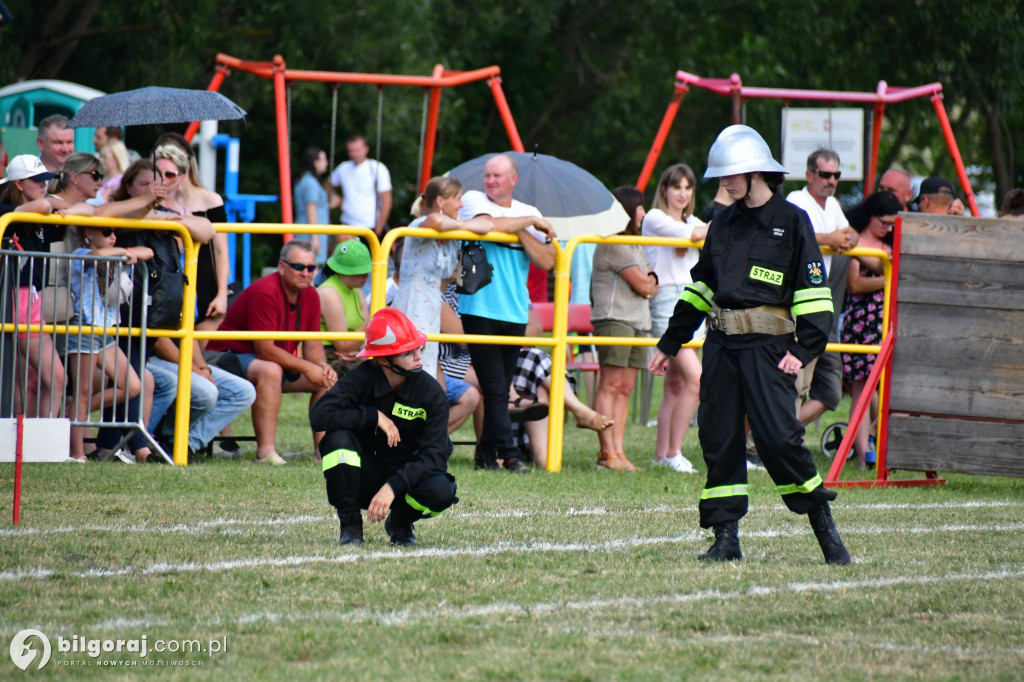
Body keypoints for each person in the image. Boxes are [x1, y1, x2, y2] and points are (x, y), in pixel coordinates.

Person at [648, 124, 850, 566]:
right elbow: (702, 287)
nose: (723, 184)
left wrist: (805, 348)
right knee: (718, 440)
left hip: (771, 351)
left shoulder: (793, 222)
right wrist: (671, 341)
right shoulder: (722, 222)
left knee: (780, 441)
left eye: (729, 175)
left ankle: (827, 534)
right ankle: (726, 540)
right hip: (721, 347)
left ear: (757, 172)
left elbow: (816, 297)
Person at [311, 307, 458, 546]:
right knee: (336, 439)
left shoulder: (431, 393)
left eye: (419, 348)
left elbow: (436, 455)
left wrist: (393, 486)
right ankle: (350, 526)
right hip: (360, 478)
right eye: (407, 352)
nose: (419, 356)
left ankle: (400, 523)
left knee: (441, 490)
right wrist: (371, 416)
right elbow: (321, 415)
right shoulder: (361, 378)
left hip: (403, 482)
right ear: (382, 359)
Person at [457, 153, 557, 474]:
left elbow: (548, 260)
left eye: (498, 176)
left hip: (514, 312)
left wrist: (524, 231)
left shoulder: (530, 212)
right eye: (487, 175)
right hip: (478, 309)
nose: (490, 181)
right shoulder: (473, 199)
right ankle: (511, 455)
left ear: (514, 179)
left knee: (498, 386)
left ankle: (486, 456)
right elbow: (489, 226)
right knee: (496, 388)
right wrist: (527, 224)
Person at [206, 240, 337, 464]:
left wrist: (323, 369)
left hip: (267, 361)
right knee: (271, 370)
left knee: (324, 379)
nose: (305, 273)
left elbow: (313, 346)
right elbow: (265, 349)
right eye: (298, 267)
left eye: (311, 268)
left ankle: (322, 453)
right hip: (224, 358)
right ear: (282, 266)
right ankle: (266, 452)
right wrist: (308, 367)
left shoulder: (312, 296)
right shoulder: (265, 290)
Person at [641, 163, 707, 474]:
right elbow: (696, 234)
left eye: (687, 187)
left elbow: (699, 232)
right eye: (676, 186)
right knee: (697, 379)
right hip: (668, 299)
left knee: (677, 383)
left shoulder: (694, 220)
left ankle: (661, 456)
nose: (682, 193)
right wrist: (707, 231)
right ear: (664, 189)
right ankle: (673, 452)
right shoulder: (655, 218)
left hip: (693, 299)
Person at [65, 225, 152, 461]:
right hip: (84, 328)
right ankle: (77, 454)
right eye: (106, 231)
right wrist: (125, 252)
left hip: (106, 332)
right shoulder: (79, 255)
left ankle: (69, 415)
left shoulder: (116, 253)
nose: (112, 236)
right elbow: (98, 256)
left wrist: (125, 252)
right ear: (89, 234)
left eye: (115, 231)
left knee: (132, 385)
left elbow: (149, 252)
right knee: (82, 392)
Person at [393, 176, 493, 380]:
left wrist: (458, 225)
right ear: (440, 201)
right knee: (409, 365)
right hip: (412, 302)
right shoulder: (420, 224)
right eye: (457, 198)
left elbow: (487, 226)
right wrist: (461, 225)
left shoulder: (452, 231)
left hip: (431, 305)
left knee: (424, 365)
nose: (461, 204)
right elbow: (436, 221)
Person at [786, 149, 859, 427]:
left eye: (836, 175)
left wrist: (842, 240)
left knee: (828, 390)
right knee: (794, 381)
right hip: (799, 305)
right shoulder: (796, 200)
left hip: (822, 307)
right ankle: (764, 444)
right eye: (825, 174)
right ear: (809, 175)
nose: (832, 180)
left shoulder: (834, 206)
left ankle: (780, 438)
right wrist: (831, 239)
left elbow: (851, 234)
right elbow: (794, 235)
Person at [590, 186, 657, 472]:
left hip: (638, 322)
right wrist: (651, 281)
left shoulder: (635, 243)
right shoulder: (614, 242)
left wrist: (650, 281)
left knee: (626, 388)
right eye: (639, 206)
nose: (643, 212)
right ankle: (607, 453)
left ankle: (619, 452)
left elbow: (651, 284)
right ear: (628, 210)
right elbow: (645, 285)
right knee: (611, 384)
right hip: (615, 320)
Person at [0, 155, 67, 418]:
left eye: (45, 180)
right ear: (18, 184)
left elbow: (70, 207)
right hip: (9, 296)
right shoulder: (5, 208)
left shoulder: (42, 214)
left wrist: (51, 205)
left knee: (53, 376)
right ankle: (14, 442)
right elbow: (42, 205)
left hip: (31, 299)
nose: (43, 186)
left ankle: (41, 441)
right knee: (14, 379)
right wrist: (49, 204)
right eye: (36, 181)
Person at [839, 191, 901, 469]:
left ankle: (875, 447)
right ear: (871, 216)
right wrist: (889, 279)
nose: (888, 229)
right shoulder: (856, 240)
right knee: (861, 391)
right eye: (885, 223)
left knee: (888, 390)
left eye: (892, 225)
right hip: (862, 321)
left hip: (885, 322)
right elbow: (855, 284)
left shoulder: (889, 243)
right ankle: (863, 455)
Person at [152, 132, 230, 339]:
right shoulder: (154, 201)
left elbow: (221, 250)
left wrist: (222, 294)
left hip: (205, 286)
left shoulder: (209, 199)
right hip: (170, 284)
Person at [317, 240, 371, 380]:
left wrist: (361, 352)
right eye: (359, 272)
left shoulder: (357, 291)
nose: (365, 275)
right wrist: (372, 319)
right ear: (341, 271)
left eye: (366, 270)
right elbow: (343, 347)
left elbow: (364, 340)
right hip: (326, 355)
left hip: (352, 352)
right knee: (370, 377)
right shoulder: (329, 293)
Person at [329, 134, 393, 239]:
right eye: (351, 150)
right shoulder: (343, 168)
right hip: (347, 225)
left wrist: (378, 230)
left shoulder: (377, 168)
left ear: (366, 149)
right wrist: (337, 200)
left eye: (357, 150)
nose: (354, 154)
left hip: (369, 228)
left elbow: (386, 201)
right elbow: (327, 186)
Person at [293, 147, 332, 266]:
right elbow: (311, 209)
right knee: (310, 267)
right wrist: (315, 237)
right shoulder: (311, 183)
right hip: (310, 235)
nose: (326, 163)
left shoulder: (304, 180)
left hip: (305, 231)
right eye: (323, 159)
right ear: (315, 162)